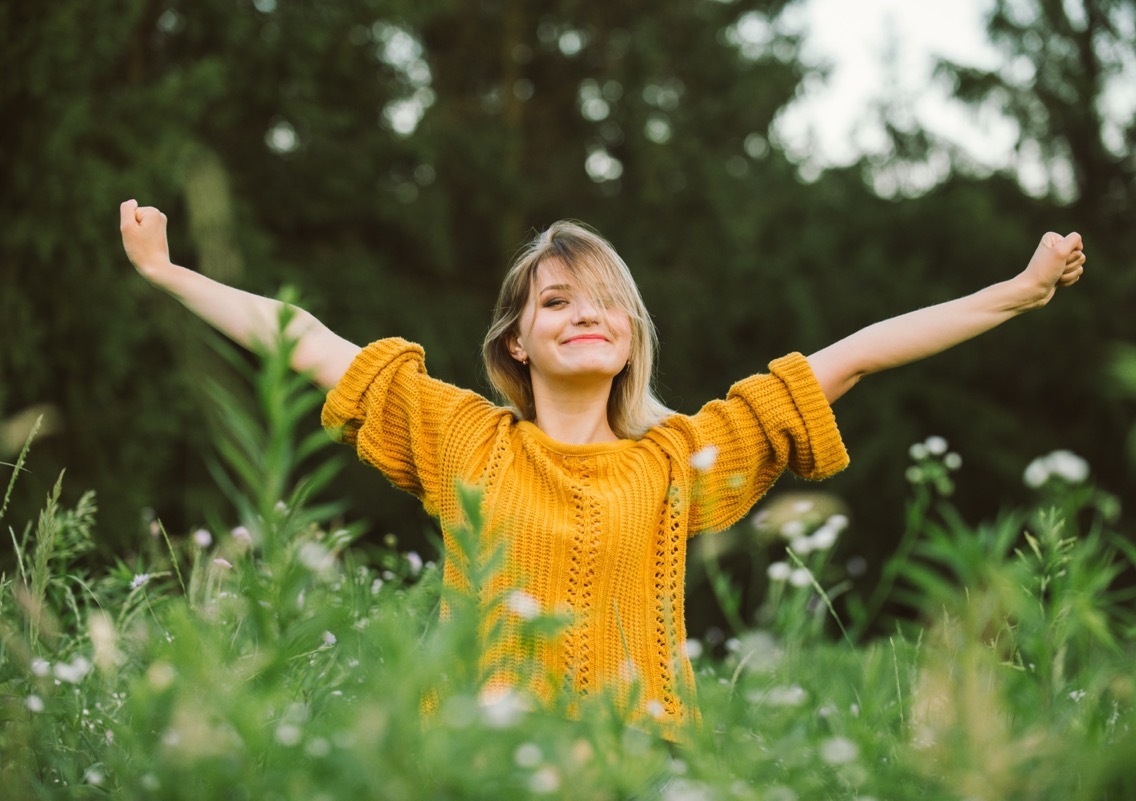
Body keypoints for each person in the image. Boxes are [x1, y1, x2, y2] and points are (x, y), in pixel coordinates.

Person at [119, 199, 1085, 737]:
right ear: (520, 342)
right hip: (476, 757)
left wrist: (1017, 291)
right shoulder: (464, 437)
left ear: (628, 338)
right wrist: (169, 272)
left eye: (603, 302)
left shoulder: (681, 459)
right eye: (554, 301)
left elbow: (858, 352)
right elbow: (308, 340)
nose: (583, 313)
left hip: (639, 761)